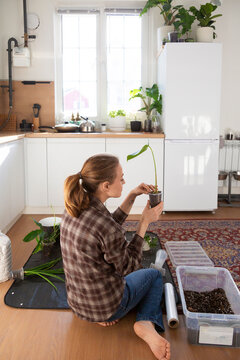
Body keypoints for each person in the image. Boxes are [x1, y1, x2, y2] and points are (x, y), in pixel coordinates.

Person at [60, 154, 171, 360]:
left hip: (78, 304)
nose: (124, 181)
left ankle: (100, 313)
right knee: (155, 276)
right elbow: (129, 267)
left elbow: (106, 228)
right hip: (108, 306)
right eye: (121, 178)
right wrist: (144, 223)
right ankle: (145, 323)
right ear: (105, 186)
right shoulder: (106, 226)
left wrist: (131, 196)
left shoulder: (73, 208)